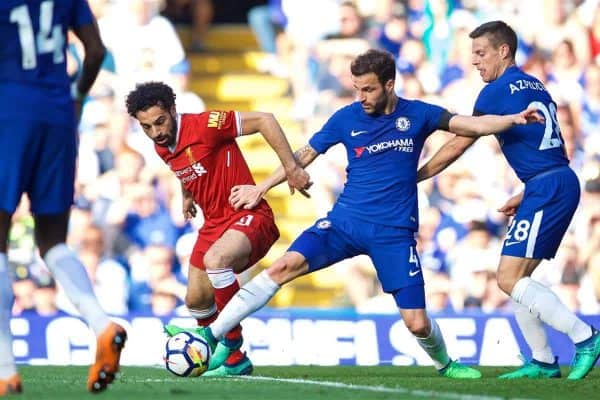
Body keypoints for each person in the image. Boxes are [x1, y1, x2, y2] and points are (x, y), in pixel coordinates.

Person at [164, 48, 542, 377]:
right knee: (281, 268)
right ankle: (212, 337)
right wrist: (262, 187)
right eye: (356, 88)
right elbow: (304, 157)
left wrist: (512, 120)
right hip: (344, 222)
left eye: (368, 89)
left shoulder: (421, 115)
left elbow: (471, 125)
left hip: (394, 232)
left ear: (389, 85)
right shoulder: (345, 118)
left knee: (417, 322)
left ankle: (445, 363)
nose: (360, 96)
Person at [416, 20, 600, 380]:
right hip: (551, 182)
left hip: (548, 187)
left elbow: (460, 141)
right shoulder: (534, 83)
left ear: (504, 51)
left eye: (481, 53)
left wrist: (417, 177)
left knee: (508, 277)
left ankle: (585, 337)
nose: (474, 61)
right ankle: (544, 360)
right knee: (520, 277)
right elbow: (545, 146)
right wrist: (529, 188)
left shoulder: (494, 93)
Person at [125, 81, 310, 376]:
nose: (156, 131)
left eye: (160, 122)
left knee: (216, 262)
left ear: (173, 109)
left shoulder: (207, 124)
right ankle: (235, 363)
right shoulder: (161, 145)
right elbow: (185, 165)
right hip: (213, 224)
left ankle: (228, 341)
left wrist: (291, 168)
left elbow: (266, 119)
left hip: (248, 215)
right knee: (196, 300)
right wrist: (187, 193)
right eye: (147, 127)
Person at [0, 0, 127, 395]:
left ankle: (5, 369)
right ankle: (102, 324)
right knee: (52, 239)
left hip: (8, 107)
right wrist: (76, 96)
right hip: (58, 113)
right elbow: (97, 51)